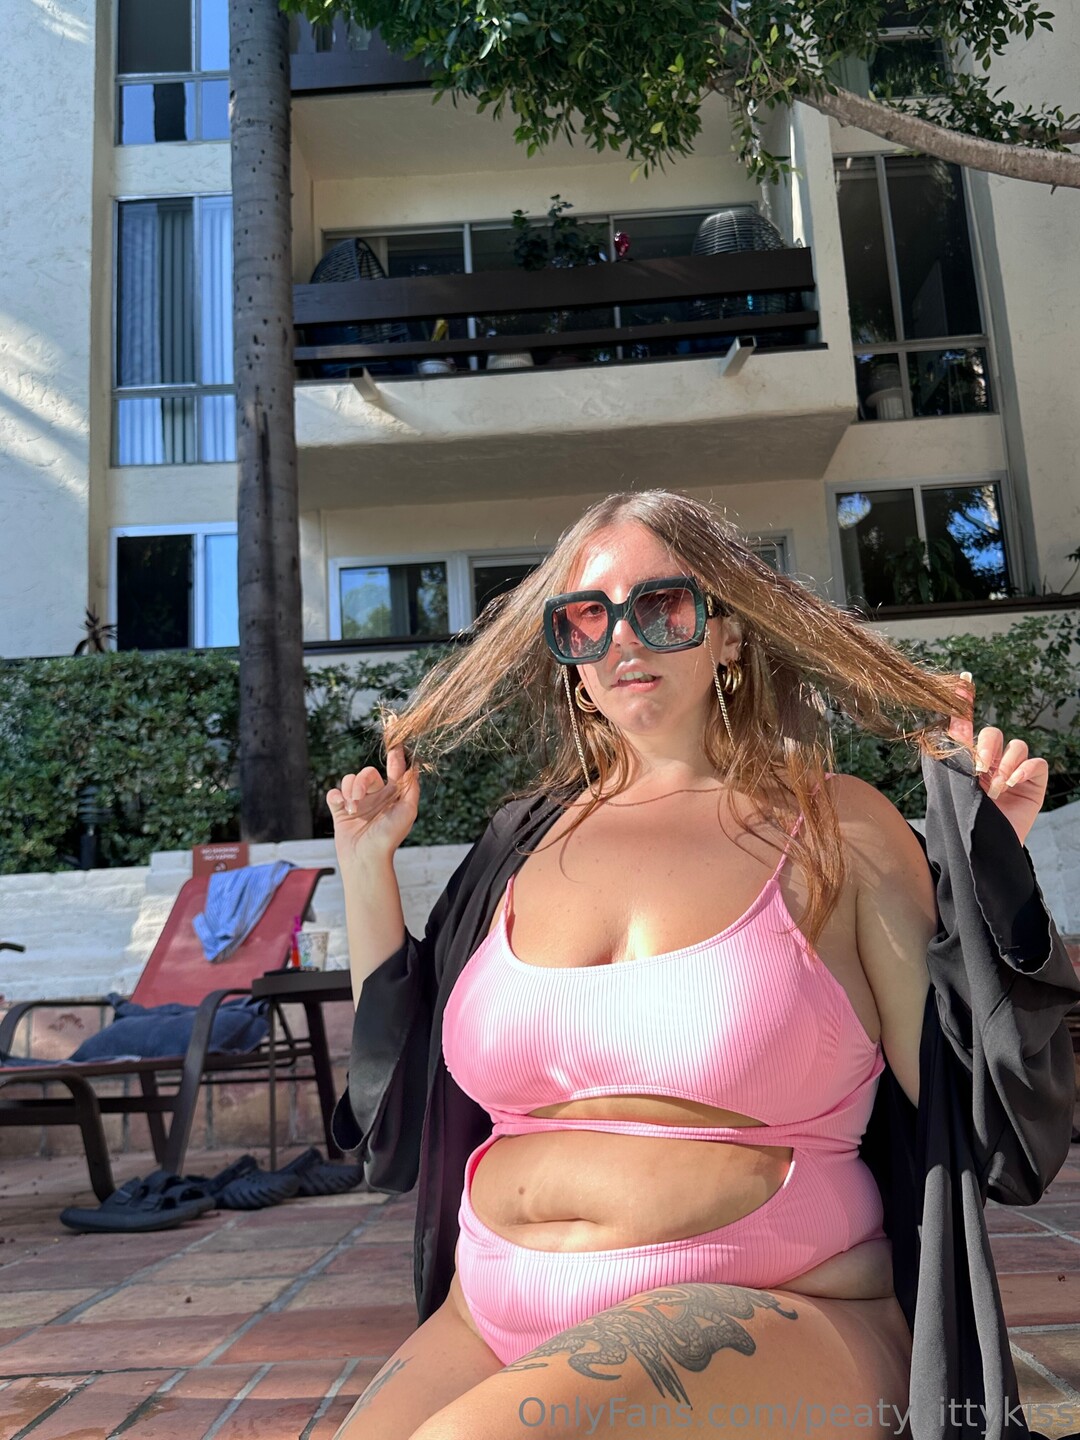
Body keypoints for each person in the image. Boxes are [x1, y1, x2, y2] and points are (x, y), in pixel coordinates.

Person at [324, 490, 1068, 1440]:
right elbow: (400, 1095)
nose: (621, 641)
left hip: (783, 1306)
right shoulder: (519, 843)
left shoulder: (837, 827)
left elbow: (972, 1104)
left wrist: (989, 870)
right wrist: (365, 866)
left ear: (729, 632)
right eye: (585, 618)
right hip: (491, 1312)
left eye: (662, 606)